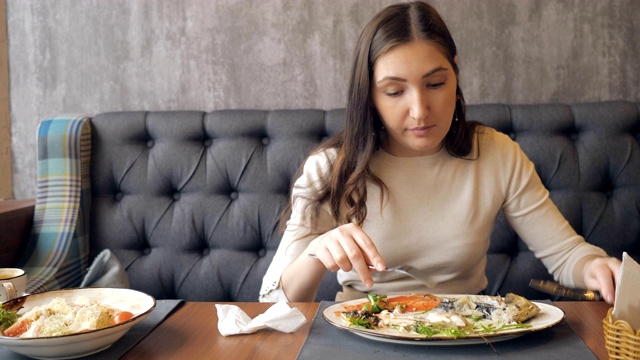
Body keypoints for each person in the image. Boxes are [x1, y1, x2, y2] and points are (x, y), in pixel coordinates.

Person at [259, 1, 621, 304]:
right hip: (363, 337)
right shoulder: (331, 168)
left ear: (455, 75)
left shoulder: (495, 154)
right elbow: (272, 300)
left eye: (435, 84)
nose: (420, 110)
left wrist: (599, 268)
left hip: (468, 335)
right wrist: (317, 252)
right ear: (369, 95)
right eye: (394, 91)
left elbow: (566, 254)